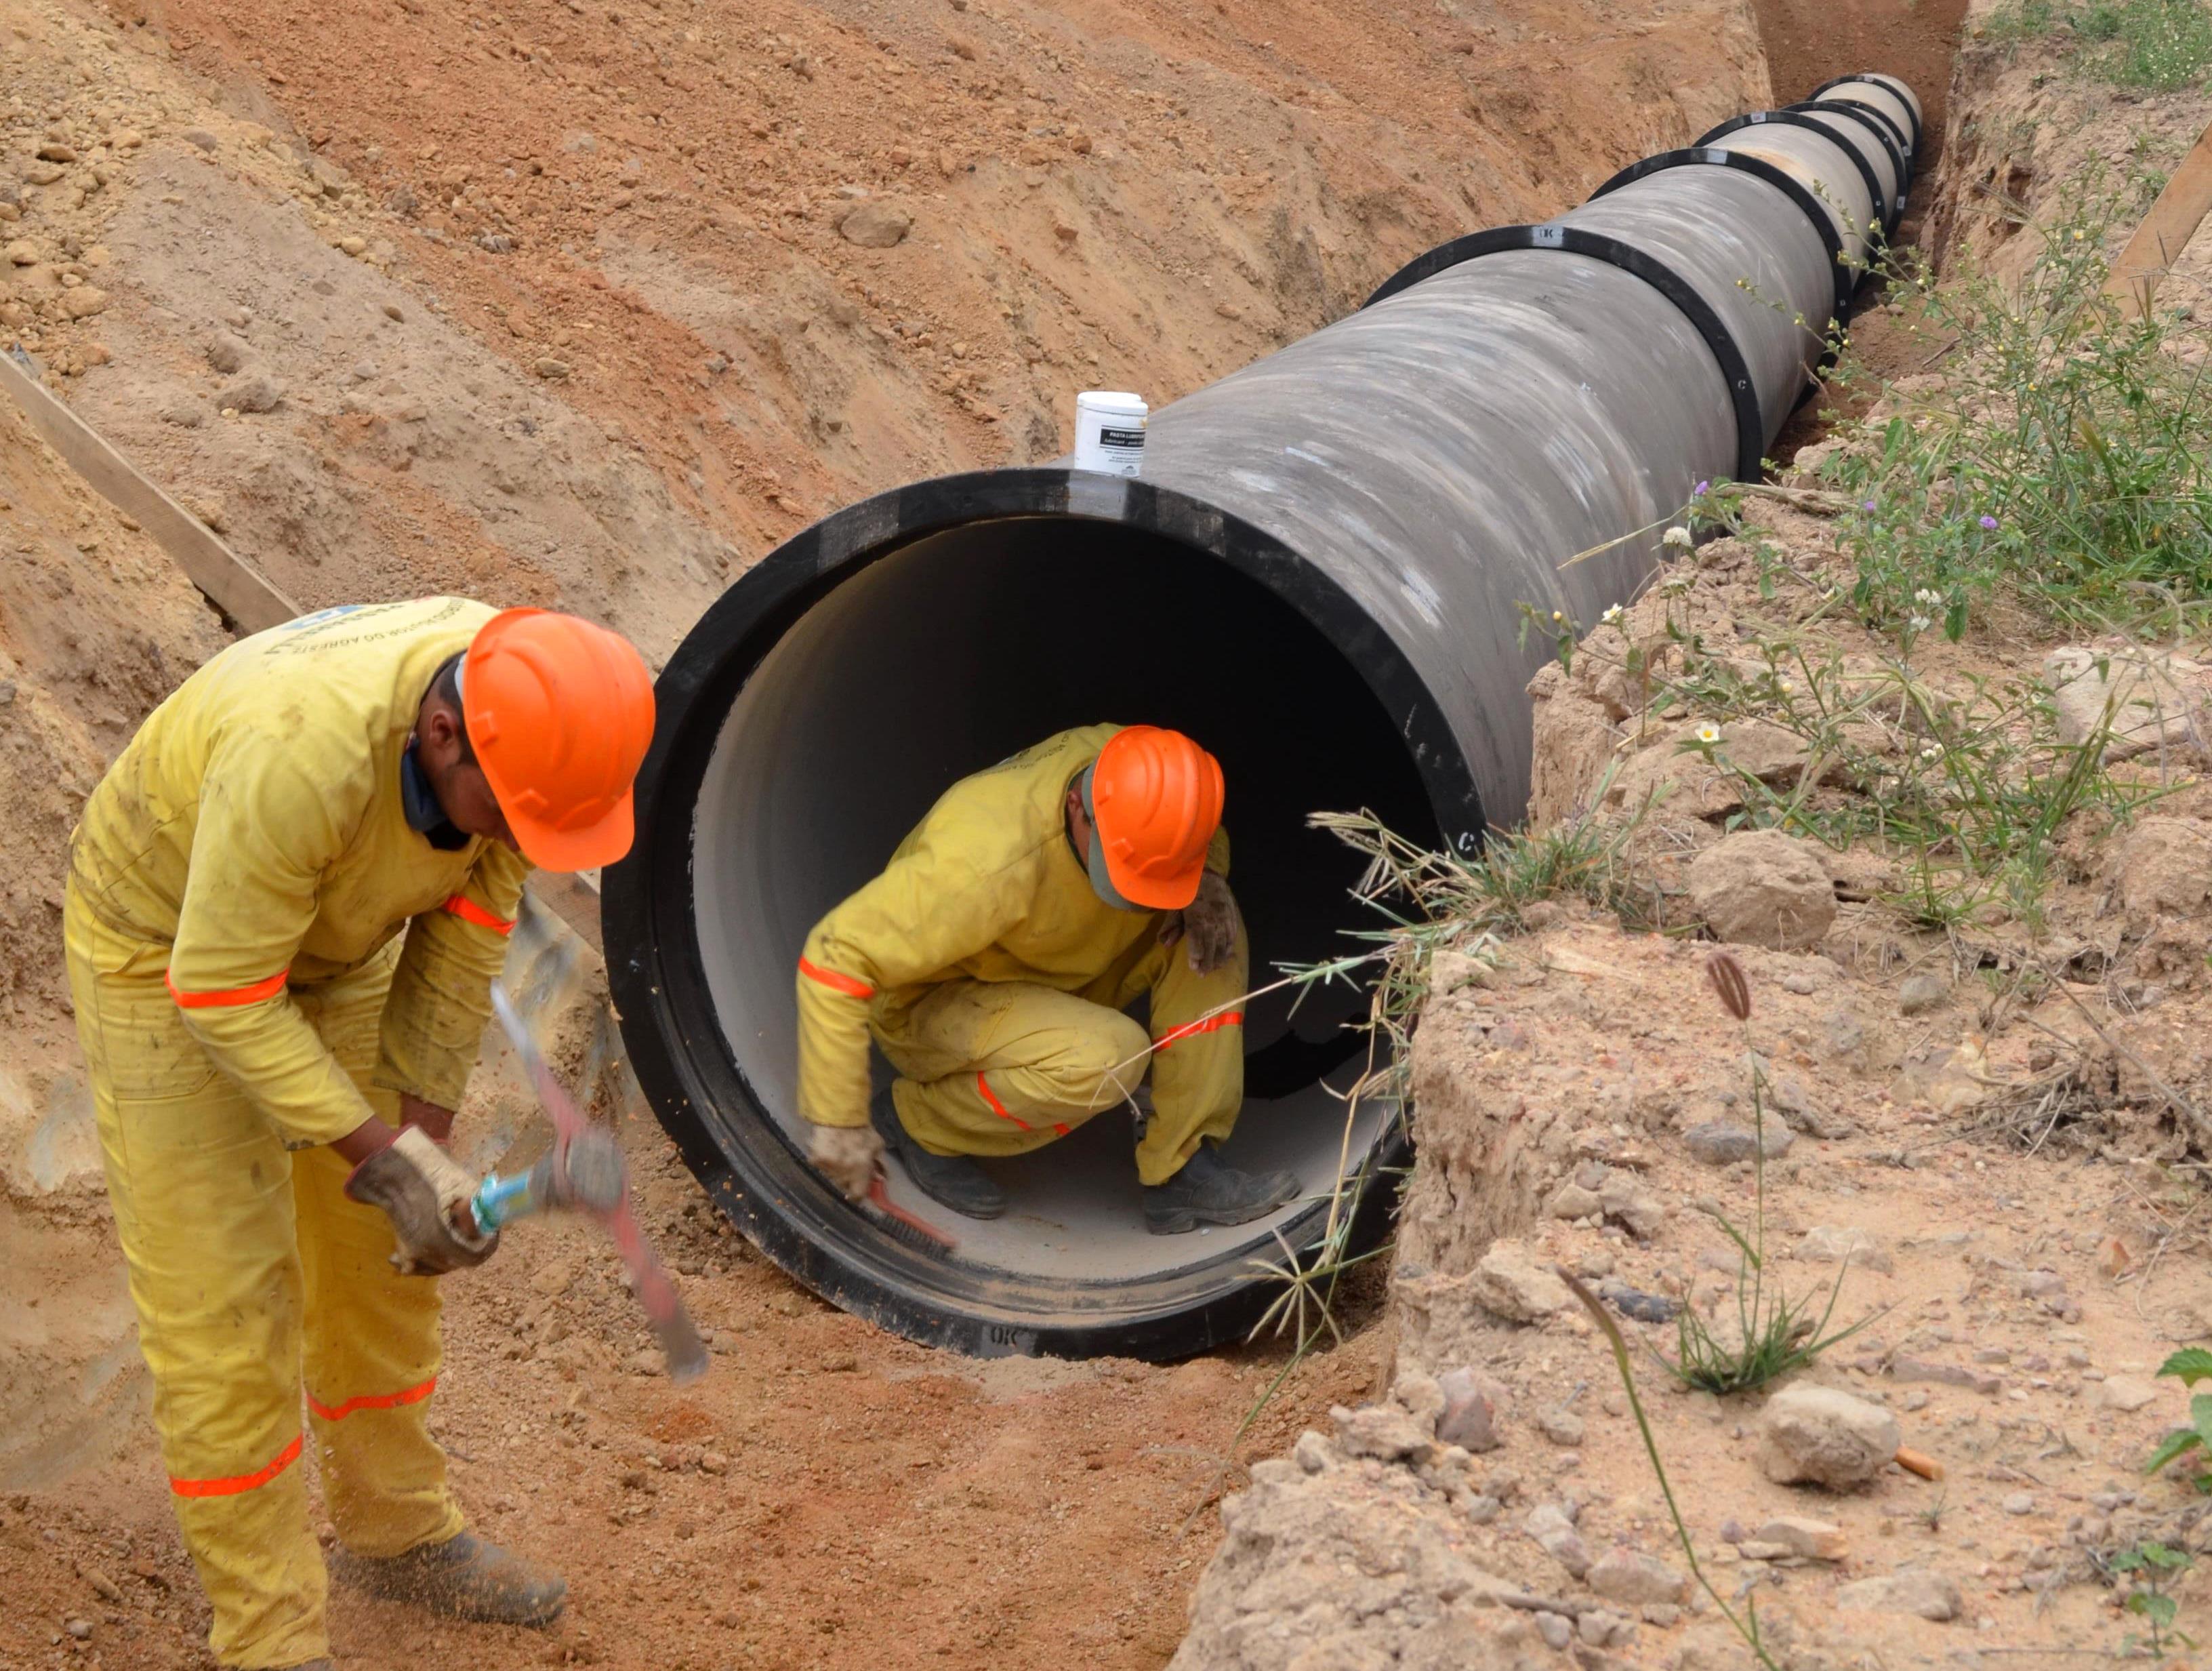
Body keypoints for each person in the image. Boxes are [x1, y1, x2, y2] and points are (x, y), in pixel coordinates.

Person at [62, 597, 655, 1671]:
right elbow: (225, 991)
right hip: (167, 959)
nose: (529, 844)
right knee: (227, 1307)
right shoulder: (303, 756)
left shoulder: (530, 722)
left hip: (334, 940)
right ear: (440, 738)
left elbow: (464, 944)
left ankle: (397, 1532)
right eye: (518, 820)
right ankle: (270, 1637)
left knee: (377, 1268)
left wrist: (418, 1152)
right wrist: (382, 1156)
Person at [795, 723, 1299, 1232]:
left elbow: (1193, 831)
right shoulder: (981, 862)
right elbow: (835, 954)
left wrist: (1208, 874)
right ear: (1080, 808)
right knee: (1108, 1057)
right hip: (938, 998)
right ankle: (917, 1121)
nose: (1143, 899)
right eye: (1125, 874)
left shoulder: (1145, 769)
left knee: (1212, 933)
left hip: (1050, 962)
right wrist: (837, 1117)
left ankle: (1183, 1168)